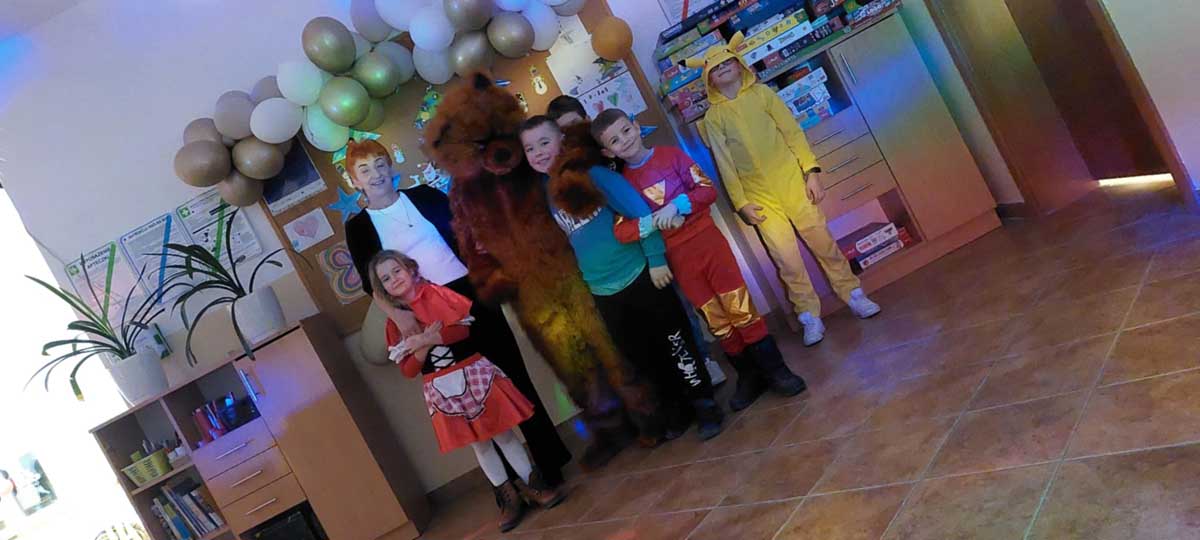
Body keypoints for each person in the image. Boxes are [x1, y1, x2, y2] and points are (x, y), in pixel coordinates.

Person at [343, 140, 572, 489]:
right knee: (469, 399)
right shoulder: (359, 227)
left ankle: (548, 462)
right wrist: (402, 318)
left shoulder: (424, 196)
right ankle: (510, 484)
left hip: (472, 295)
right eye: (365, 170)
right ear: (355, 180)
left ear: (390, 167)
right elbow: (371, 284)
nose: (375, 174)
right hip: (427, 314)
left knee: (513, 377)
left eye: (379, 164)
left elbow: (467, 234)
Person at [522, 115, 725, 441]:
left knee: (677, 343)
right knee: (643, 357)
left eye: (544, 142)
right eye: (530, 148)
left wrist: (656, 260)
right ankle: (678, 409)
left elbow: (640, 214)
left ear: (562, 139)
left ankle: (705, 405)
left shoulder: (594, 174)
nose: (539, 152)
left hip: (642, 274)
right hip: (604, 292)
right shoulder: (546, 194)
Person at [591, 108, 808, 411]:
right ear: (607, 151)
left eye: (626, 130)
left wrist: (679, 204)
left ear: (637, 126)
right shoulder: (622, 186)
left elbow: (707, 190)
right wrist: (654, 220)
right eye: (614, 140)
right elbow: (621, 231)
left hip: (709, 243)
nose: (624, 140)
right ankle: (748, 376)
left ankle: (776, 369)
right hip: (678, 258)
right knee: (715, 318)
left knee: (739, 305)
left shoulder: (672, 156)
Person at [691, 33, 881, 345]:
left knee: (823, 242)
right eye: (716, 67)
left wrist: (811, 171)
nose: (723, 68)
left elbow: (792, 133)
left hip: (792, 181)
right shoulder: (714, 117)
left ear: (739, 65)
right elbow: (724, 162)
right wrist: (741, 202)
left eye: (728, 62)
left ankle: (854, 295)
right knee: (786, 260)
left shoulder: (763, 94)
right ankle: (808, 316)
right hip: (759, 197)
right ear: (709, 79)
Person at [369, 251, 564, 532]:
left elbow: (461, 331)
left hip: (473, 373)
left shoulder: (437, 294)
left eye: (396, 270)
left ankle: (534, 485)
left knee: (502, 433)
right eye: (386, 279)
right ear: (383, 289)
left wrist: (424, 339)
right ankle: (508, 498)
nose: (394, 279)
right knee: (479, 444)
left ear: (410, 269)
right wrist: (425, 344)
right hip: (441, 389)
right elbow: (409, 369)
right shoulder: (393, 325)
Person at [545, 96, 728, 387]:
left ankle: (705, 359)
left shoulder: (606, 150)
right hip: (635, 243)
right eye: (562, 130)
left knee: (688, 304)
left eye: (574, 124)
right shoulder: (577, 168)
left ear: (585, 119)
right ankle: (692, 369)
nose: (571, 133)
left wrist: (672, 210)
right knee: (675, 307)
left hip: (670, 234)